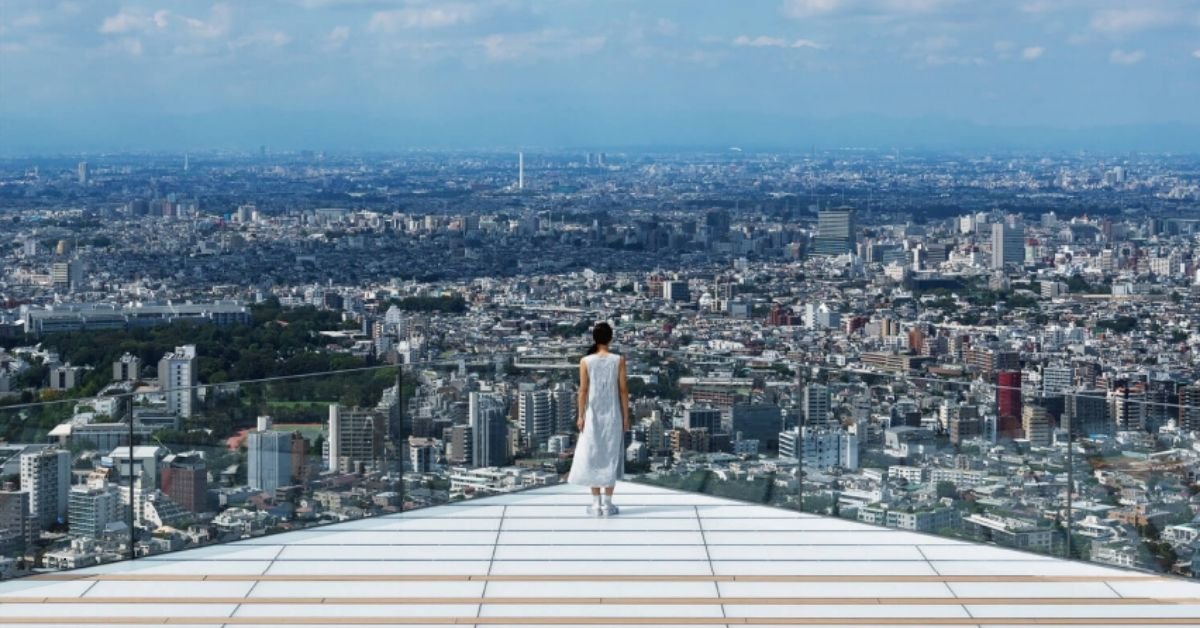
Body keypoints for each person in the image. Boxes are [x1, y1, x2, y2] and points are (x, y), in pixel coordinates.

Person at [567, 321, 630, 516]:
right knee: (610, 456)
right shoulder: (618, 360)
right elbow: (623, 390)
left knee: (593, 455)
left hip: (591, 414)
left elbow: (583, 391)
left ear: (594, 339)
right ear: (610, 338)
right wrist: (626, 416)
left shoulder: (586, 361)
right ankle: (608, 504)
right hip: (613, 414)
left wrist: (580, 415)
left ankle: (596, 503)